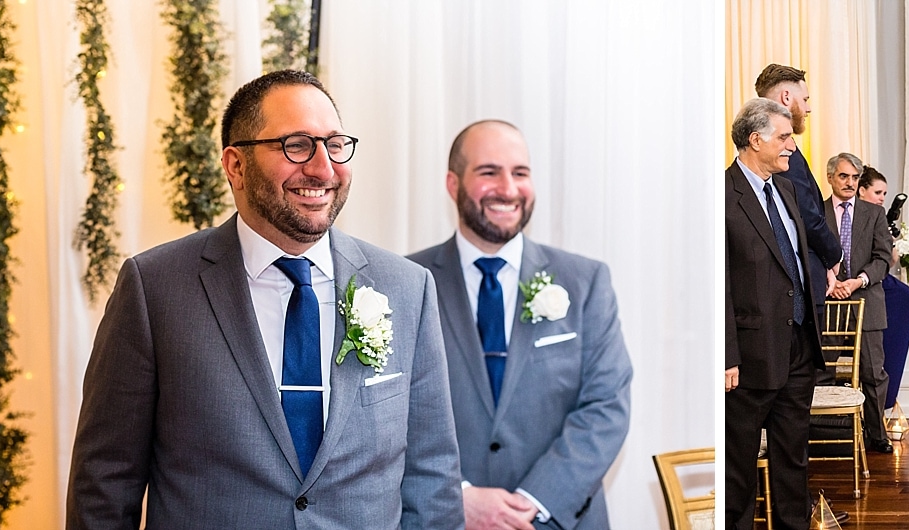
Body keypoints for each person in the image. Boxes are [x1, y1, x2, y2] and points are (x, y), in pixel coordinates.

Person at [66, 70, 464, 529]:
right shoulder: (154, 288)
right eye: (297, 145)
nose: (322, 169)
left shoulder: (407, 288)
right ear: (235, 165)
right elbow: (105, 482)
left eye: (334, 145)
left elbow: (432, 477)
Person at [407, 120, 633, 529]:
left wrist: (532, 501)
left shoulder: (586, 281)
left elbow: (606, 406)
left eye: (521, 173)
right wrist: (459, 497)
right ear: (453, 184)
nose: (508, 189)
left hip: (557, 519)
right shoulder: (405, 282)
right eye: (489, 172)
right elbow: (385, 418)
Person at [725, 98, 824, 530]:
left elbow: (796, 264)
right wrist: (726, 353)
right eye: (784, 138)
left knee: (793, 461)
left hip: (799, 347)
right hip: (747, 356)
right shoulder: (722, 196)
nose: (791, 147)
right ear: (755, 139)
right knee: (739, 469)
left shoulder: (785, 190)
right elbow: (720, 280)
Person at [756, 64, 844, 339]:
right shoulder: (783, 154)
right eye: (804, 99)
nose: (807, 109)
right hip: (801, 284)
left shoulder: (770, 150)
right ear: (785, 97)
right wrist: (835, 255)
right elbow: (805, 215)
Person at [822, 153, 894, 454]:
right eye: (843, 176)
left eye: (854, 177)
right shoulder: (815, 210)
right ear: (831, 178)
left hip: (867, 300)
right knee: (822, 372)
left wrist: (858, 280)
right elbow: (808, 252)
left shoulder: (873, 213)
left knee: (873, 374)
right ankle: (824, 437)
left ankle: (877, 435)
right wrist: (830, 279)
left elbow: (883, 258)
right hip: (827, 303)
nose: (850, 183)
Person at [858, 167, 909, 411]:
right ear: (862, 190)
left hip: (877, 278)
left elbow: (889, 260)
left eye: (885, 193)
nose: (883, 198)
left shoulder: (878, 215)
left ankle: (886, 392)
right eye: (878, 192)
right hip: (864, 282)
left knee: (908, 299)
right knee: (906, 299)